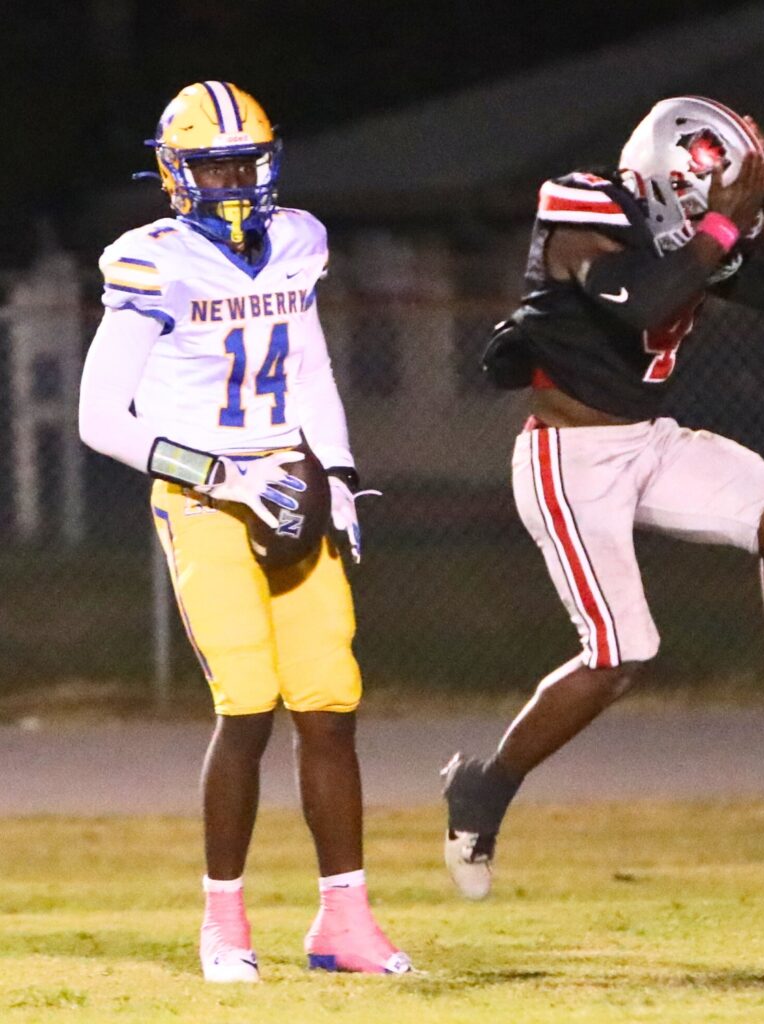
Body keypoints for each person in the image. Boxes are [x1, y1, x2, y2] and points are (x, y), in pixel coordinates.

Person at [443, 96, 764, 900]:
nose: (719, 209)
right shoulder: (582, 205)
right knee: (620, 655)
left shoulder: (689, 227)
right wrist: (720, 227)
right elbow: (640, 299)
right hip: (571, 459)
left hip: (647, 437)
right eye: (714, 190)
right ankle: (484, 788)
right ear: (672, 174)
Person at [79, 82, 411, 978]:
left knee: (330, 704)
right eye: (212, 164)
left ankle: (343, 924)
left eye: (242, 162)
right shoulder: (150, 261)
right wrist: (226, 475)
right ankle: (224, 924)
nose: (230, 179)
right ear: (174, 173)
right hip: (205, 493)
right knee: (249, 701)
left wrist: (337, 478)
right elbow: (103, 418)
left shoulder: (300, 240)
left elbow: (308, 372)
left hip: (292, 483)